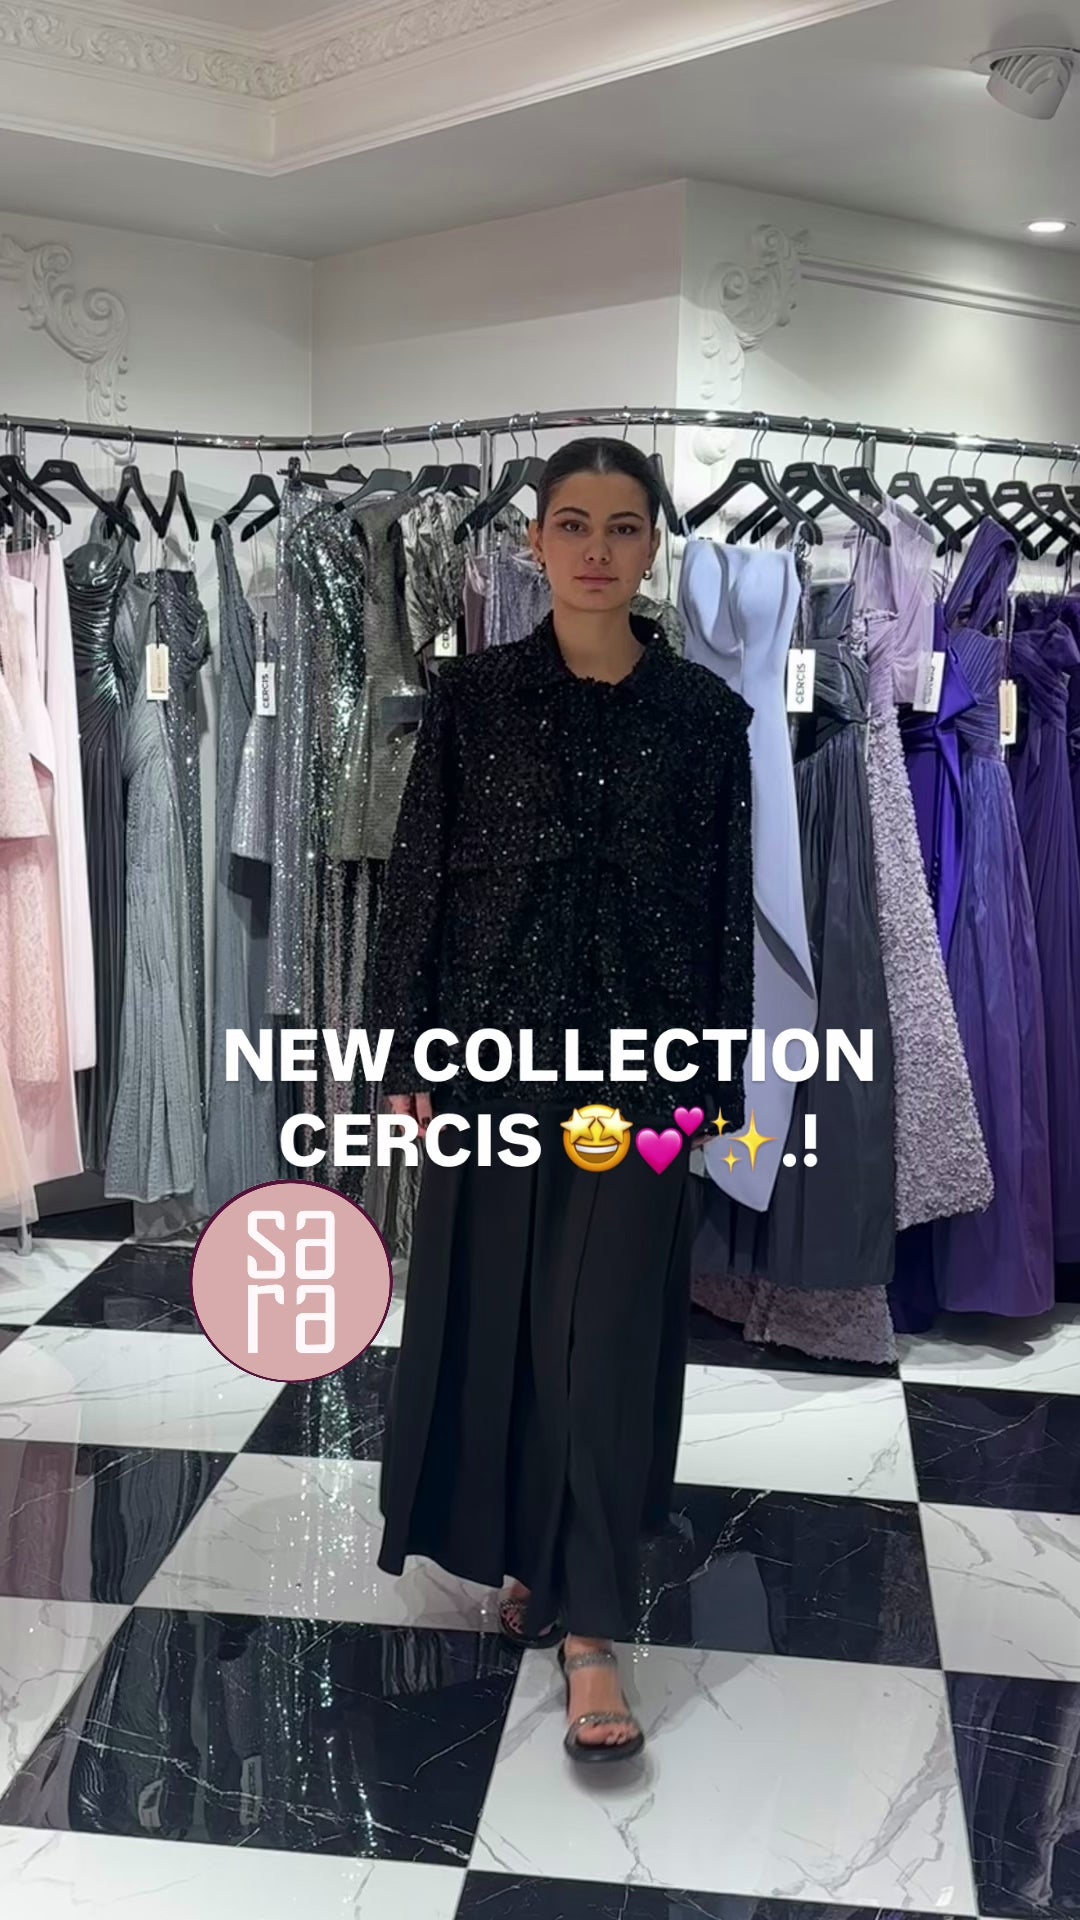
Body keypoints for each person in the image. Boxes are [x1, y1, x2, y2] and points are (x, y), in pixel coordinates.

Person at [370, 437, 753, 1766]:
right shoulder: (473, 700)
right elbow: (419, 880)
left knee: (605, 1328)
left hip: (641, 1066)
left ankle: (592, 1625)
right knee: (505, 1312)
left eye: (624, 526)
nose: (597, 549)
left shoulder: (704, 718)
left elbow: (722, 911)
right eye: (573, 524)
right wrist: (404, 1057)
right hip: (491, 1051)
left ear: (653, 546)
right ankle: (531, 1548)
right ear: (532, 543)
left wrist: (714, 1081)